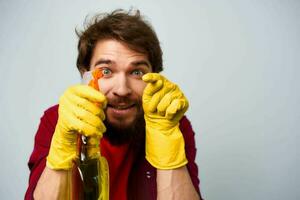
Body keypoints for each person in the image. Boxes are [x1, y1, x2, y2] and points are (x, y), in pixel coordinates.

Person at [25, 9, 203, 200]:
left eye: (137, 72)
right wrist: (63, 150)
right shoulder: (56, 120)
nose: (122, 89)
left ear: (154, 77)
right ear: (86, 75)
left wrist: (166, 139)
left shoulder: (172, 123)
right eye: (106, 71)